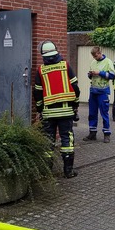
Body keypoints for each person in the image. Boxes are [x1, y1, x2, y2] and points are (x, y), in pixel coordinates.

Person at [33, 41, 81, 178]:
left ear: (43, 56)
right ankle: (68, 171)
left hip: (48, 113)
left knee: (48, 140)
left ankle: (46, 172)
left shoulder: (41, 71)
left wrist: (40, 109)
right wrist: (75, 104)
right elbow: (75, 88)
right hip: (66, 111)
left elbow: (37, 93)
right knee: (67, 139)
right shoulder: (65, 66)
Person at [84, 46, 115, 143]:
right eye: (93, 56)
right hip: (93, 91)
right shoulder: (93, 62)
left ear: (100, 53)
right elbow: (89, 76)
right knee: (92, 113)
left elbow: (112, 75)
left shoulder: (108, 62)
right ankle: (92, 133)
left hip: (103, 92)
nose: (94, 58)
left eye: (95, 56)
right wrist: (90, 74)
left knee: (104, 113)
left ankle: (107, 134)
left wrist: (100, 73)